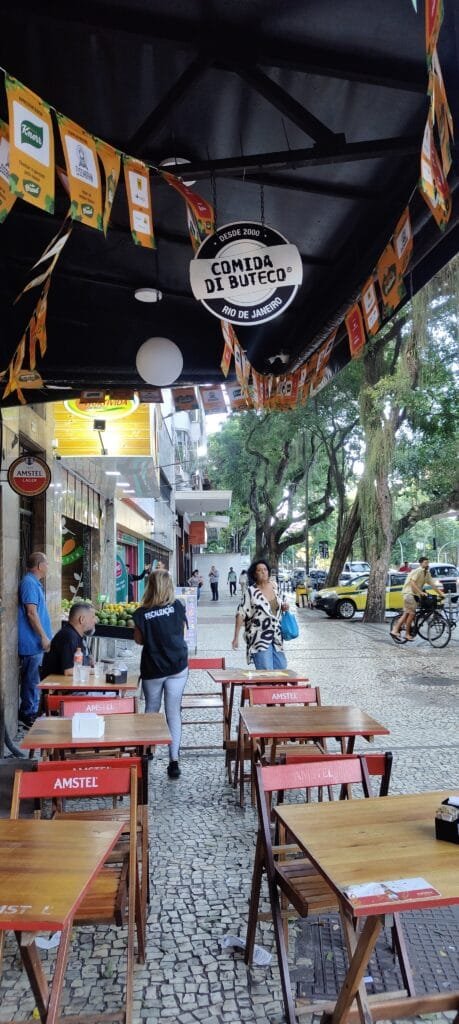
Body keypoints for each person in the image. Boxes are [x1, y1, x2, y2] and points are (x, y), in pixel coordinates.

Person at [133, 571, 188, 780]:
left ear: (150, 586)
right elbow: (180, 633)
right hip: (177, 666)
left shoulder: (141, 613)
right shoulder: (178, 607)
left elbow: (139, 640)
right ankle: (174, 761)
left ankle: (147, 754)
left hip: (153, 667)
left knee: (152, 710)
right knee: (173, 713)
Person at [232, 559, 289, 669]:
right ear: (254, 574)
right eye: (259, 570)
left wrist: (285, 606)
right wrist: (236, 637)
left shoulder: (275, 587)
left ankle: (277, 687)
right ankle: (264, 686)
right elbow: (240, 613)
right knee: (265, 670)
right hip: (259, 637)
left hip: (276, 635)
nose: (263, 572)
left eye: (265, 569)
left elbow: (283, 602)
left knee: (281, 667)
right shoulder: (250, 591)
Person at [18, 551, 52, 727]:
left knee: (34, 679)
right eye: (46, 563)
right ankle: (27, 713)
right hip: (32, 643)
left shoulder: (34, 583)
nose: (48, 567)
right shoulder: (29, 584)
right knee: (31, 680)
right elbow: (31, 613)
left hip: (36, 643)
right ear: (39, 566)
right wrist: (43, 636)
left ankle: (30, 711)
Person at [391, 556, 443, 642]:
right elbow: (412, 582)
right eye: (425, 563)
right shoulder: (418, 571)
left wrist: (441, 594)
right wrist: (420, 592)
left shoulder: (427, 573)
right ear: (421, 563)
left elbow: (433, 585)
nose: (427, 564)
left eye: (428, 563)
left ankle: (395, 630)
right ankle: (407, 634)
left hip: (414, 595)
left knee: (406, 614)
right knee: (411, 614)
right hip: (409, 594)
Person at [42, 602, 96, 676]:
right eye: (93, 617)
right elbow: (68, 671)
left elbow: (78, 660)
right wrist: (95, 671)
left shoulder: (75, 634)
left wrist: (88, 661)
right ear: (82, 619)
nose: (95, 621)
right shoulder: (68, 637)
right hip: (57, 685)